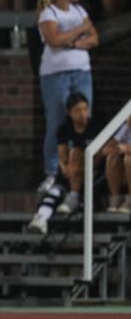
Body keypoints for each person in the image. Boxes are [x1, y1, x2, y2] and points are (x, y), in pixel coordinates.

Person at [35, 0, 99, 194]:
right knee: (57, 120)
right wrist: (80, 31)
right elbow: (54, 40)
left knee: (84, 118)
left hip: (81, 70)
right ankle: (53, 172)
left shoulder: (80, 11)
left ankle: (81, 170)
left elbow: (94, 39)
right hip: (56, 74)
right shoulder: (49, 13)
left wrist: (71, 42)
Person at [28, 94, 104, 234]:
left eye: (85, 109)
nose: (83, 114)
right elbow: (62, 158)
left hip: (90, 174)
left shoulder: (95, 127)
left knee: (76, 152)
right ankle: (41, 218)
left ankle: (74, 197)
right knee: (54, 192)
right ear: (70, 113)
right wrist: (66, 169)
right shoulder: (65, 129)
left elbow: (99, 157)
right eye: (78, 110)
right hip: (70, 174)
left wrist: (80, 169)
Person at [104, 116, 131, 213]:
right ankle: (116, 198)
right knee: (111, 158)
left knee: (129, 159)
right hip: (124, 171)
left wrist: (126, 148)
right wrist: (115, 148)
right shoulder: (126, 127)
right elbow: (106, 149)